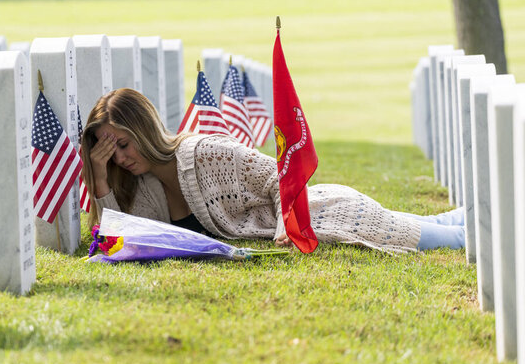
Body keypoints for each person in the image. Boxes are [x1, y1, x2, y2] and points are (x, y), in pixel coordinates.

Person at [80, 88, 465, 254]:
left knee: (455, 239)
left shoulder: (206, 153)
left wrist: (285, 225)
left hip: (323, 214)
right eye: (108, 151)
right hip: (309, 217)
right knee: (446, 223)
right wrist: (99, 179)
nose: (119, 158)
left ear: (144, 131)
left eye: (122, 145)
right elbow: (121, 238)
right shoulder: (144, 188)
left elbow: (281, 175)